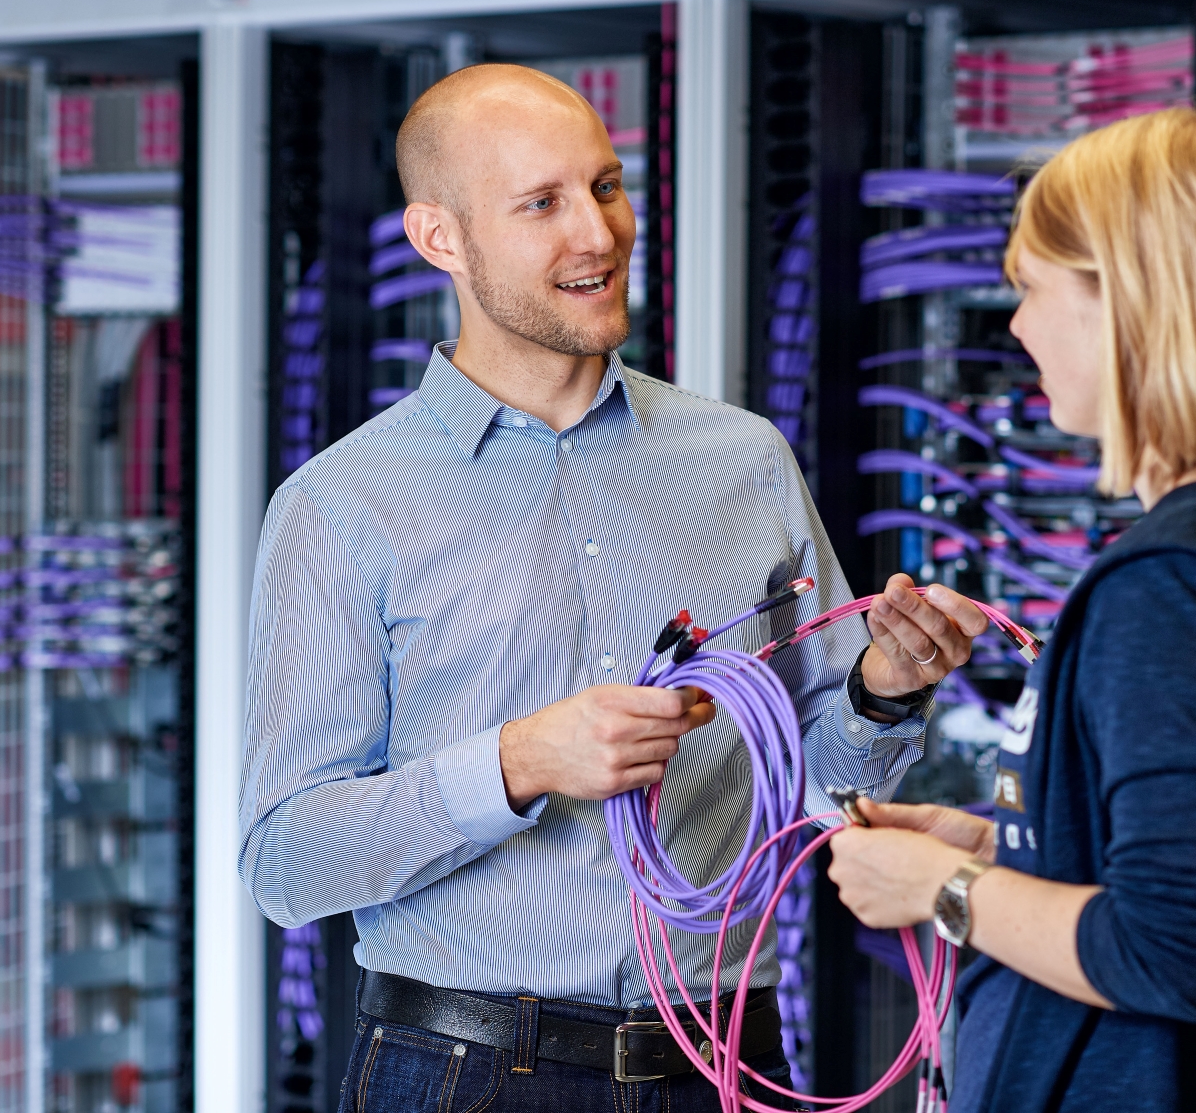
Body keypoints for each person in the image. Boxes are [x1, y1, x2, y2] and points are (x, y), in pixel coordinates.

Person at [239, 63, 990, 1112]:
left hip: (725, 1061)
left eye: (605, 186)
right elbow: (284, 865)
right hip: (467, 1073)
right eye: (540, 204)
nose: (597, 234)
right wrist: (517, 762)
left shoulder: (742, 459)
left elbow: (816, 780)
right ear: (439, 238)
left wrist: (880, 689)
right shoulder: (343, 504)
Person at [826, 107, 1196, 1112]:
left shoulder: (1168, 588)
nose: (1014, 326)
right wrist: (995, 847)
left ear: (1131, 305)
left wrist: (944, 892)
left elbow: (1182, 951)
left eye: (1030, 288)